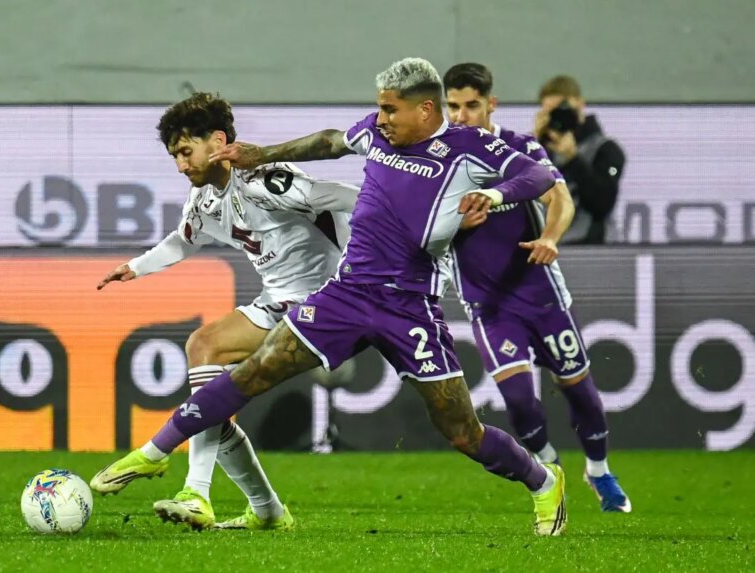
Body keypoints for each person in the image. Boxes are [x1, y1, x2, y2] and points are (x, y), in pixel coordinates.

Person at [94, 58, 567, 536]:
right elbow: (328, 142)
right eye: (380, 108)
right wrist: (261, 153)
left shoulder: (468, 147)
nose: (380, 118)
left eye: (390, 109)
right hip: (348, 293)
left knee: (462, 432)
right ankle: (154, 453)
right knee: (256, 368)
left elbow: (538, 177)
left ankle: (544, 481)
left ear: (425, 109)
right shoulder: (376, 134)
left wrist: (496, 196)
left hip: (409, 304)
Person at [90, 92, 361, 531]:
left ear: (218, 141)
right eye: (174, 156)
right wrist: (135, 267)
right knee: (204, 347)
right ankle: (263, 510)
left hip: (329, 303)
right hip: (278, 304)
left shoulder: (267, 181)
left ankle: (194, 488)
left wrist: (392, 241)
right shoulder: (205, 201)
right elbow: (183, 240)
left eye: (185, 152)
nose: (181, 166)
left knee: (219, 393)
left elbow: (350, 197)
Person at [443, 63, 631, 512]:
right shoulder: (436, 159)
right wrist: (450, 228)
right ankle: (550, 468)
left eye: (471, 105)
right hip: (489, 305)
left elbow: (559, 196)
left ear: (491, 104)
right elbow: (417, 226)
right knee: (520, 402)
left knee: (580, 391)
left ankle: (599, 470)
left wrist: (549, 237)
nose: (461, 116)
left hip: (541, 294)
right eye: (453, 106)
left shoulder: (520, 148)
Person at [534, 75, 625, 244]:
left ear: (580, 104)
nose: (559, 117)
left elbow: (602, 205)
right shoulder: (539, 151)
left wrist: (573, 159)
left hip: (591, 249)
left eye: (563, 109)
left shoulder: (605, 149)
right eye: (552, 112)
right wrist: (535, 143)